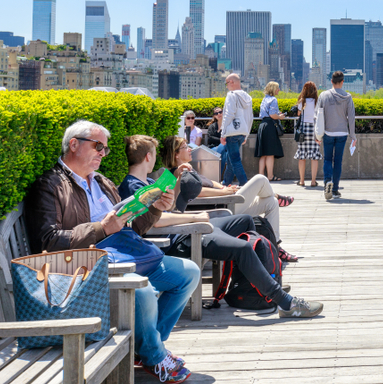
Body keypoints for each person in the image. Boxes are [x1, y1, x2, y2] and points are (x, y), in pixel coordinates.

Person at [24, 120, 198, 383]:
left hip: (124, 255)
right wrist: (100, 229)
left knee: (188, 272)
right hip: (87, 266)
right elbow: (47, 241)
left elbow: (134, 226)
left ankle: (150, 348)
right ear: (73, 144)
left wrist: (157, 206)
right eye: (97, 146)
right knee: (144, 291)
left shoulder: (103, 182)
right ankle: (154, 354)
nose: (102, 154)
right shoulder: (50, 185)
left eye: (104, 149)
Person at [119, 135, 322, 320]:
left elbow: (172, 207)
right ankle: (285, 302)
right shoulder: (133, 187)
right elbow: (155, 222)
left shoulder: (149, 181)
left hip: (190, 228)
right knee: (243, 248)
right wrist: (193, 218)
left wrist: (178, 179)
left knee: (244, 220)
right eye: (154, 155)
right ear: (147, 157)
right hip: (182, 238)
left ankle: (254, 285)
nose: (155, 159)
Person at [157, 135, 292, 242]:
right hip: (222, 208)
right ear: (176, 154)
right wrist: (222, 192)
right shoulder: (178, 173)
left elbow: (210, 182)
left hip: (228, 200)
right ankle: (275, 195)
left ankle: (276, 245)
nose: (190, 149)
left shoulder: (189, 169)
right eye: (186, 147)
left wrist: (224, 187)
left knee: (271, 203)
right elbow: (196, 192)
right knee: (260, 179)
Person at [316, 70, 355, 201]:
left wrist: (318, 135)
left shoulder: (324, 95)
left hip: (327, 132)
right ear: (343, 82)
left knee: (327, 159)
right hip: (342, 133)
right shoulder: (348, 97)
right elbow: (351, 118)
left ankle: (327, 181)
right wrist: (353, 135)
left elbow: (318, 116)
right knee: (338, 160)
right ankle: (335, 189)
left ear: (331, 81)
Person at [220, 73, 253, 186]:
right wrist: (246, 134)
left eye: (227, 83)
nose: (226, 86)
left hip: (231, 132)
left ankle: (245, 184)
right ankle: (226, 183)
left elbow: (229, 114)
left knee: (234, 159)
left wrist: (223, 133)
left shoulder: (231, 95)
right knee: (230, 159)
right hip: (242, 132)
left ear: (232, 82)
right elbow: (250, 117)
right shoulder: (247, 97)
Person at [255, 81, 286, 181]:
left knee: (263, 153)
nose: (279, 90)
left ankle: (260, 177)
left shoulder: (264, 99)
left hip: (262, 126)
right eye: (277, 88)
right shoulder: (273, 99)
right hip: (269, 127)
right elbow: (273, 115)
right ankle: (270, 176)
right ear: (273, 89)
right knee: (270, 153)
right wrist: (280, 117)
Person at [294, 81, 322, 187]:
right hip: (314, 129)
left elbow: (298, 113)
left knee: (302, 155)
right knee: (314, 155)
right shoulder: (317, 102)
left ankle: (301, 181)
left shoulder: (302, 101)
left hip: (303, 130)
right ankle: (313, 181)